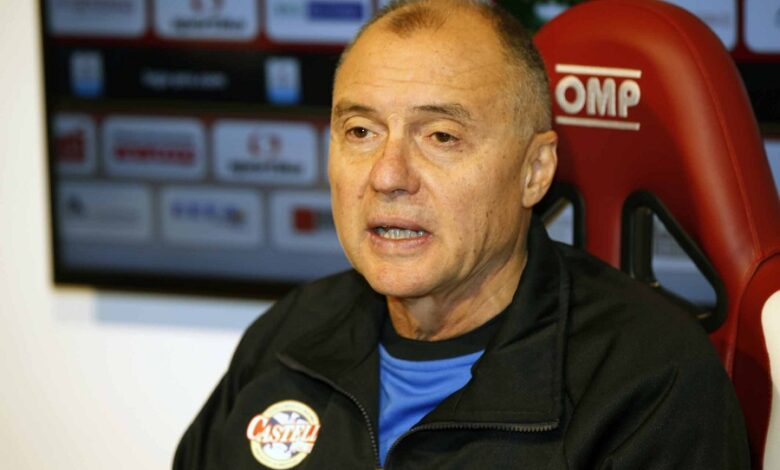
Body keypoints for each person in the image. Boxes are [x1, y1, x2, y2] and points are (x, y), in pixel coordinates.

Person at [174, 1, 750, 468]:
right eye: (361, 131)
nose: (388, 175)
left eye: (441, 137)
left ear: (534, 172)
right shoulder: (288, 336)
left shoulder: (648, 385)